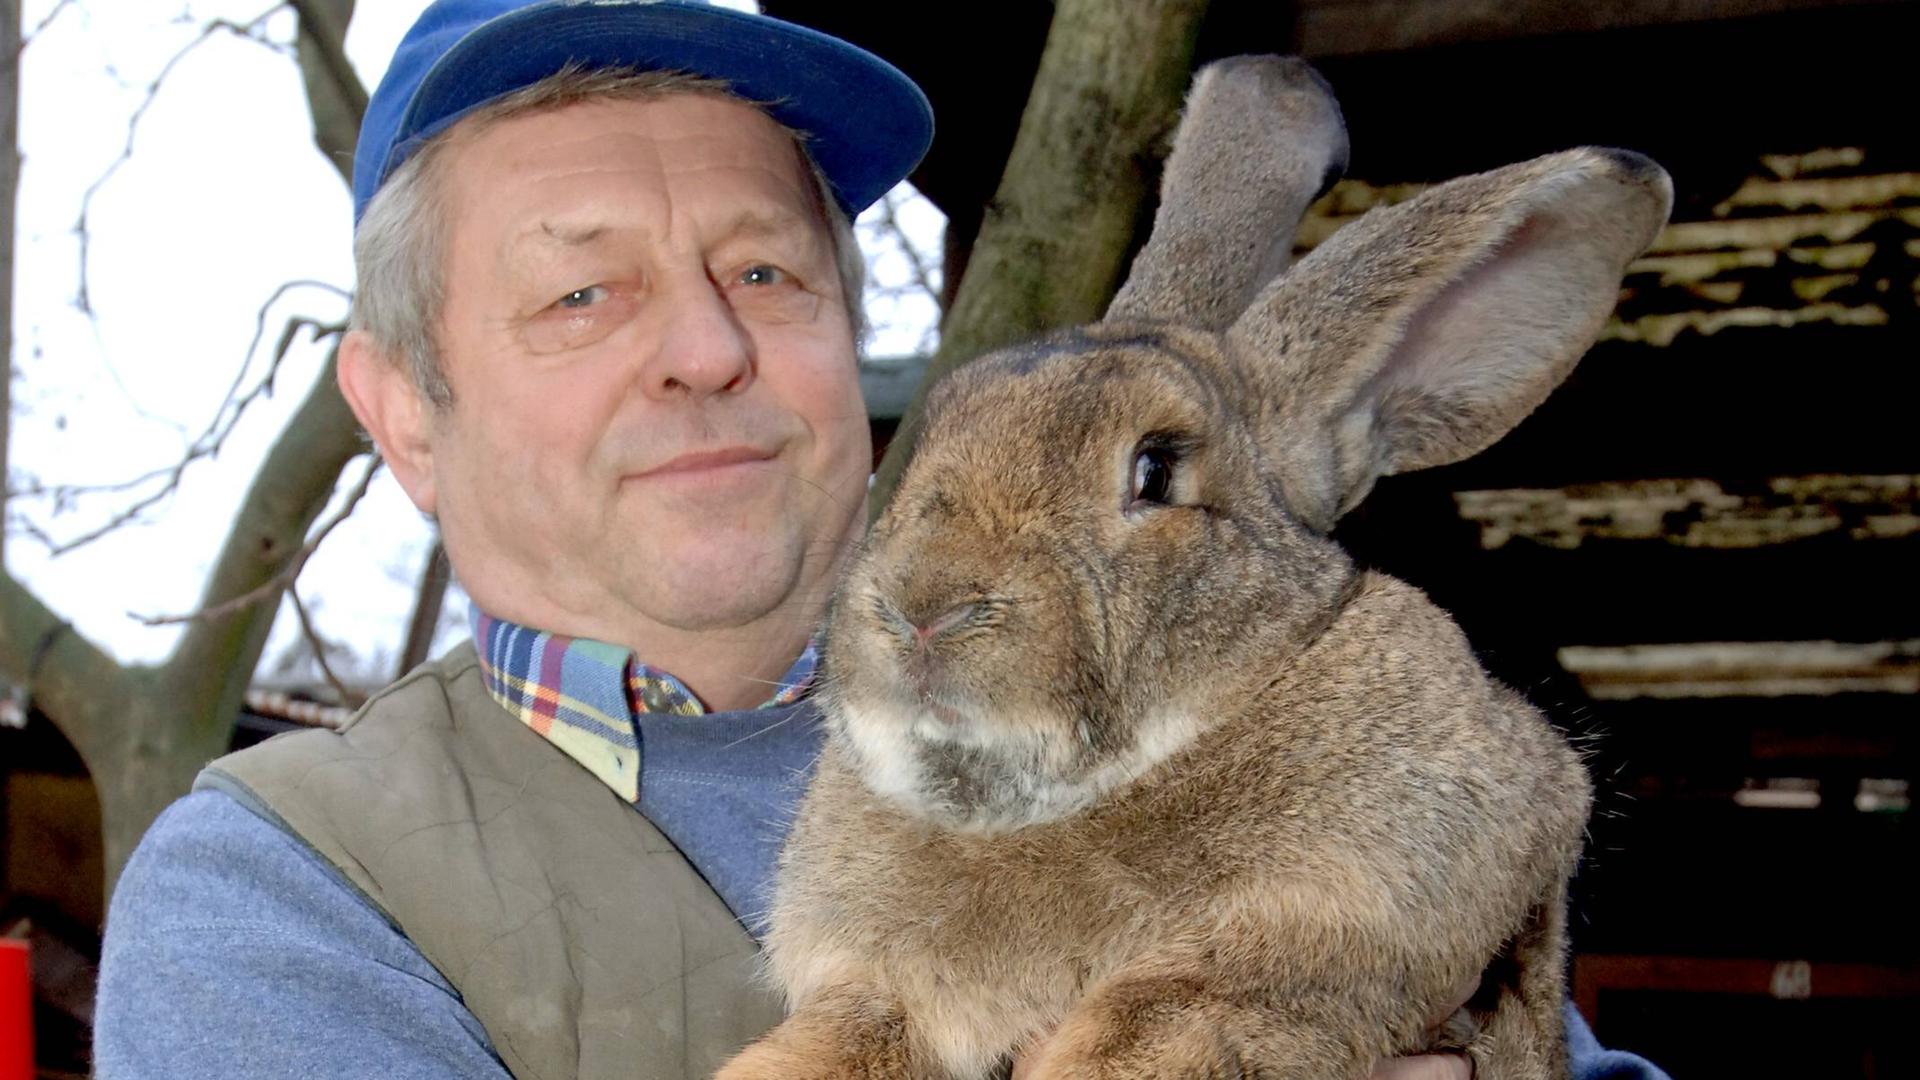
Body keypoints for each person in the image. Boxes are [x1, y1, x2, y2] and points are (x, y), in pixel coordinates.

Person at [91, 2, 1668, 1078]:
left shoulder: (1259, 721)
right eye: (582, 291)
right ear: (405, 412)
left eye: (767, 274)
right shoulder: (281, 889)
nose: (704, 347)